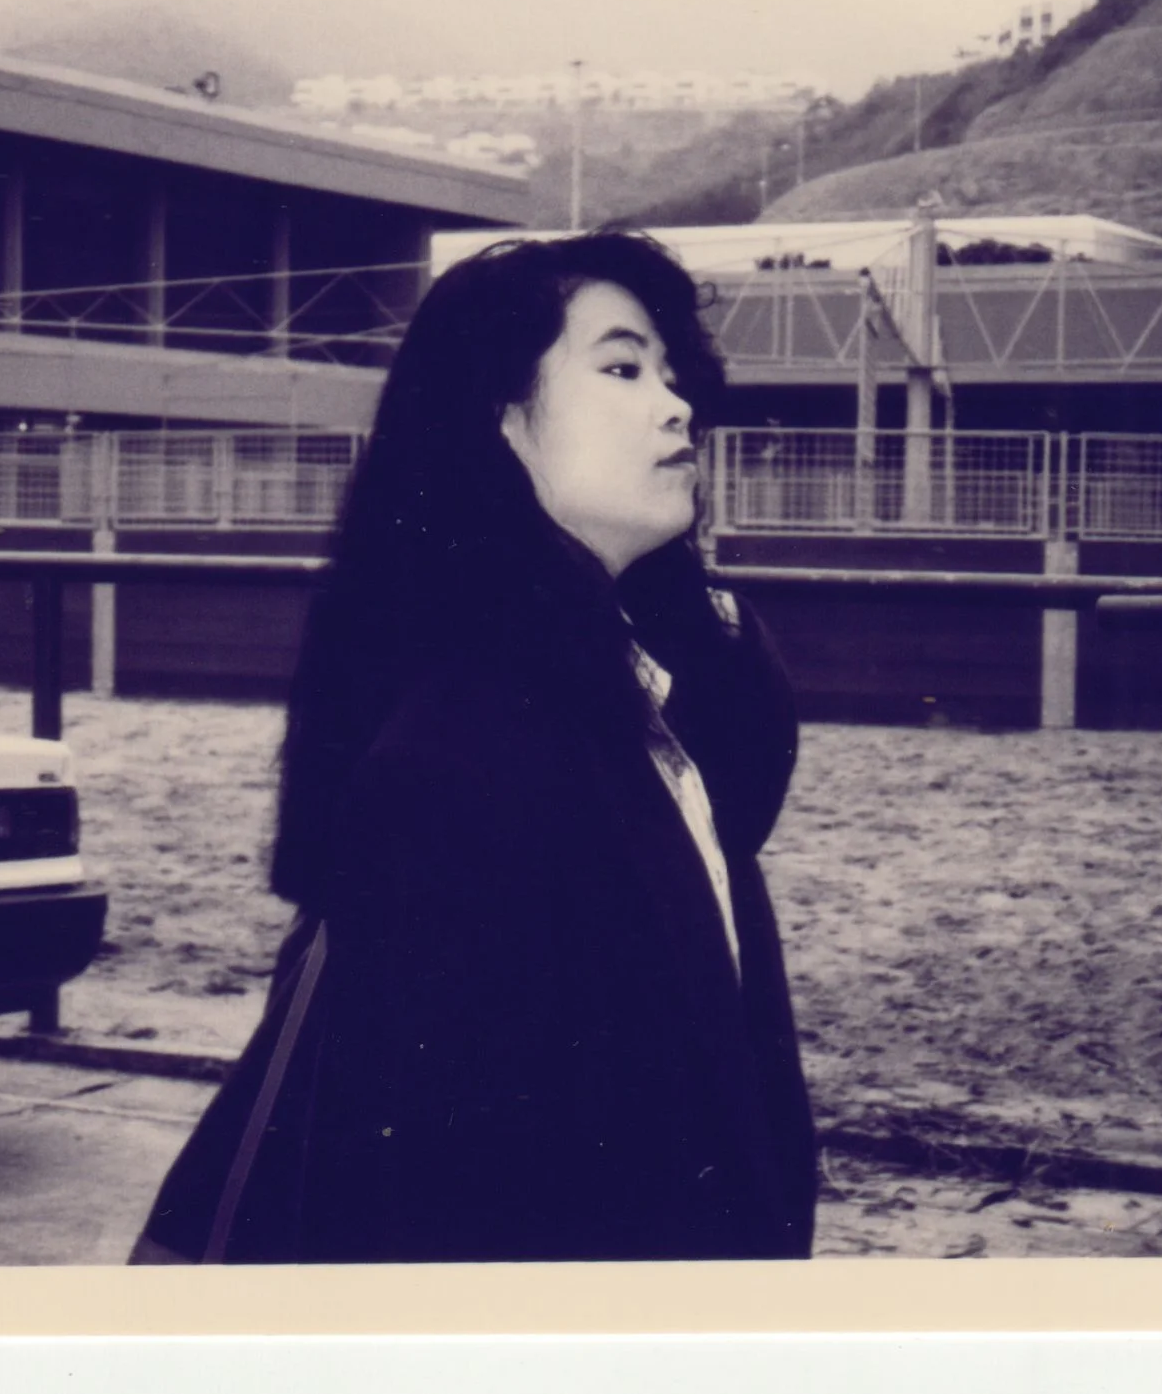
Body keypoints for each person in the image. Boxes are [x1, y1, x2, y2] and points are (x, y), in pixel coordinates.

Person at [134, 231, 816, 1264]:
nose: (676, 406)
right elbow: (446, 1198)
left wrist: (713, 633)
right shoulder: (468, 751)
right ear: (497, 421)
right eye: (623, 368)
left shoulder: (635, 697)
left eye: (673, 376)